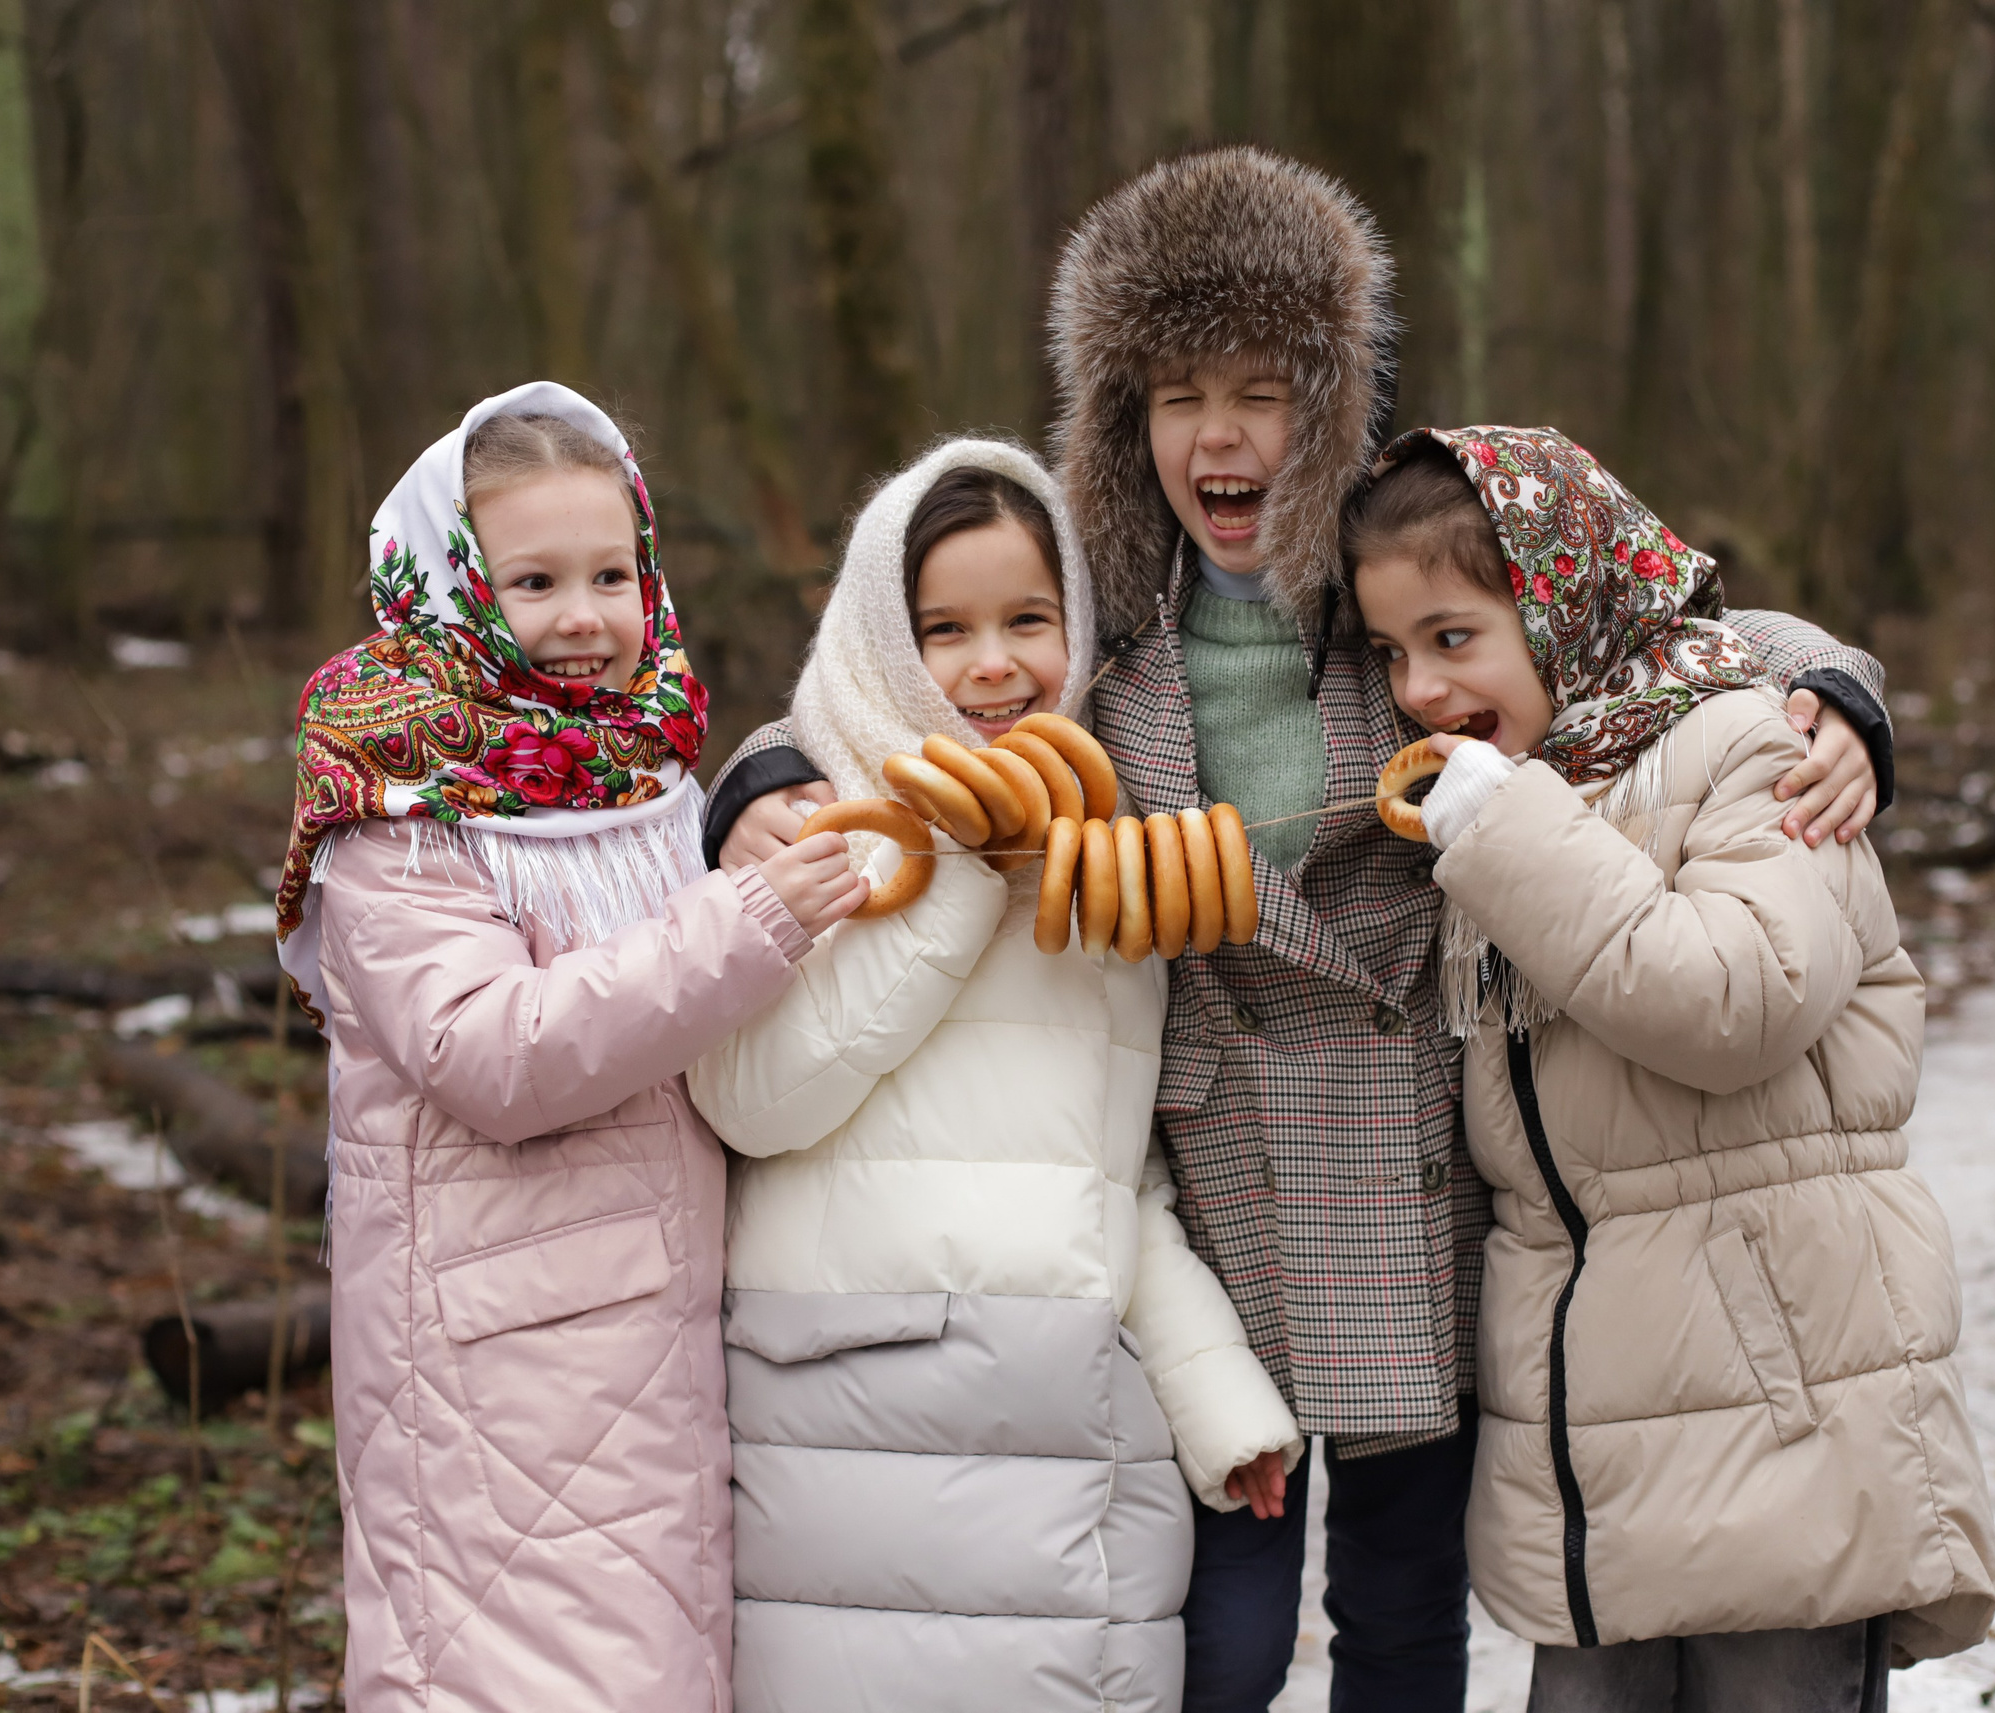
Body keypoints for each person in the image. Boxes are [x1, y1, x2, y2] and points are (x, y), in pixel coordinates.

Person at [705, 149, 1897, 1712]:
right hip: (1215, 1191)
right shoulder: (1096, 629)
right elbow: (884, 692)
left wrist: (1836, 684)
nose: (1220, 435)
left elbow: (1657, 621)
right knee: (1227, 1632)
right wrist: (758, 778)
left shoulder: (1408, 594)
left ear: (1330, 408)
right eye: (1177, 395)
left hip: (1415, 1172)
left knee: (1400, 1612)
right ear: (1125, 425)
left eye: (1262, 392)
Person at [1348, 426, 1995, 1712]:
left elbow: (1734, 1000)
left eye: (1453, 636)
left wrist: (1508, 834)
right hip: (1601, 1452)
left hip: (1784, 1422)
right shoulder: (1524, 792)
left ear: (1564, 605)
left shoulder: (1745, 746)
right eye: (1389, 653)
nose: (1417, 687)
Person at [274, 383, 866, 1712]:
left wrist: (748, 820)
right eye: (533, 582)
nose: (585, 616)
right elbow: (497, 1056)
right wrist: (751, 916)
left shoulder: (638, 768)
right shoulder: (399, 809)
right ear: (448, 584)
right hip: (495, 1374)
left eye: (611, 575)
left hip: (652, 1338)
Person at [686, 438, 1302, 1713]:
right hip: (847, 1423)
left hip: (1061, 1423)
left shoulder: (1106, 875)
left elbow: (1112, 1180)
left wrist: (1212, 1393)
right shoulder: (809, 830)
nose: (993, 664)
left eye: (1028, 619)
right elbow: (750, 1102)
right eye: (944, 629)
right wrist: (957, 874)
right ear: (881, 638)